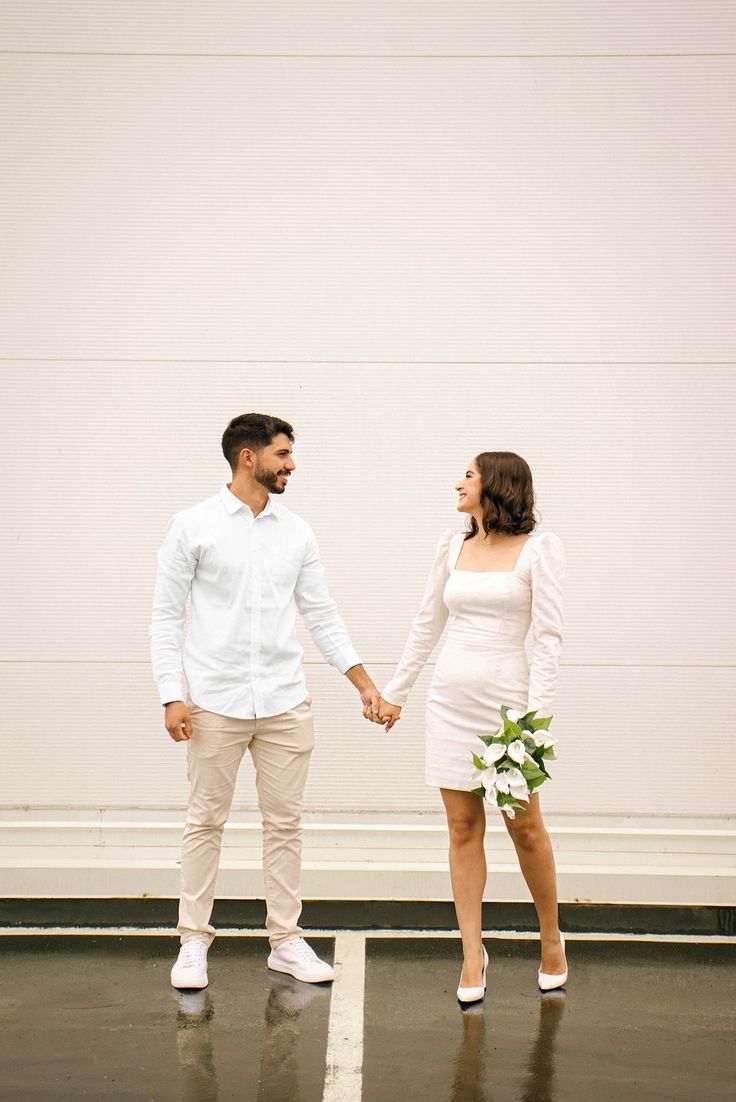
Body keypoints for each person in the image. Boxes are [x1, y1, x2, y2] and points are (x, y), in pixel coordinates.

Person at [149, 413, 381, 990]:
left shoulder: (297, 532)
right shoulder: (191, 526)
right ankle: (193, 943)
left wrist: (364, 684)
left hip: (284, 702)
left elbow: (321, 614)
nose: (291, 464)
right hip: (214, 702)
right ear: (248, 457)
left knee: (285, 826)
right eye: (282, 454)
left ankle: (285, 942)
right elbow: (164, 618)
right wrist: (171, 696)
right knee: (205, 822)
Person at [368, 451, 568, 1004]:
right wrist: (395, 695)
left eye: (469, 476)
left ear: (496, 486)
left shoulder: (538, 550)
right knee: (462, 829)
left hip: (509, 712)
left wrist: (535, 722)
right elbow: (426, 622)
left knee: (524, 828)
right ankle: (472, 953)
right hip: (449, 703)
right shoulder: (451, 547)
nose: (458, 483)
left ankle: (551, 939)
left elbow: (547, 641)